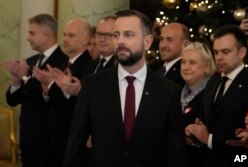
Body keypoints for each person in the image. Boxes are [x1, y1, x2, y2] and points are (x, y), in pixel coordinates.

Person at [63, 9, 186, 167]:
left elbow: (175, 155)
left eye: (128, 35)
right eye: (116, 35)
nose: (120, 41)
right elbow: (74, 148)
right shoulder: (93, 87)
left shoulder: (168, 92)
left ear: (147, 42)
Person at [4, 14, 68, 167]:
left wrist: (25, 78)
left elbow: (50, 98)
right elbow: (12, 101)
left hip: (48, 144)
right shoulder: (31, 61)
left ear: (46, 34)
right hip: (27, 141)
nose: (28, 38)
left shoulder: (63, 61)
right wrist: (15, 81)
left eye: (32, 33)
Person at [185, 25, 248, 167]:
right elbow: (206, 124)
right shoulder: (212, 83)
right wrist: (195, 133)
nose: (219, 57)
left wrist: (209, 139)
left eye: (225, 52)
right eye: (216, 52)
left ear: (242, 52)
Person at [33, 18, 93, 167]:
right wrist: (47, 90)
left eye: (71, 35)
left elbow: (79, 104)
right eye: (64, 35)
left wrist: (52, 84)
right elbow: (55, 101)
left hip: (72, 140)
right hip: (55, 138)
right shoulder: (63, 63)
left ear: (86, 39)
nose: (65, 39)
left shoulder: (90, 65)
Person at [180, 42, 216, 167]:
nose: (186, 67)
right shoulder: (178, 92)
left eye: (192, 62)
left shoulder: (212, 94)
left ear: (207, 67)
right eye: (183, 62)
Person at [157, 22, 190, 87]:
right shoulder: (158, 71)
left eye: (169, 40)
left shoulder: (185, 74)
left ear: (185, 44)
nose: (163, 45)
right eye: (161, 39)